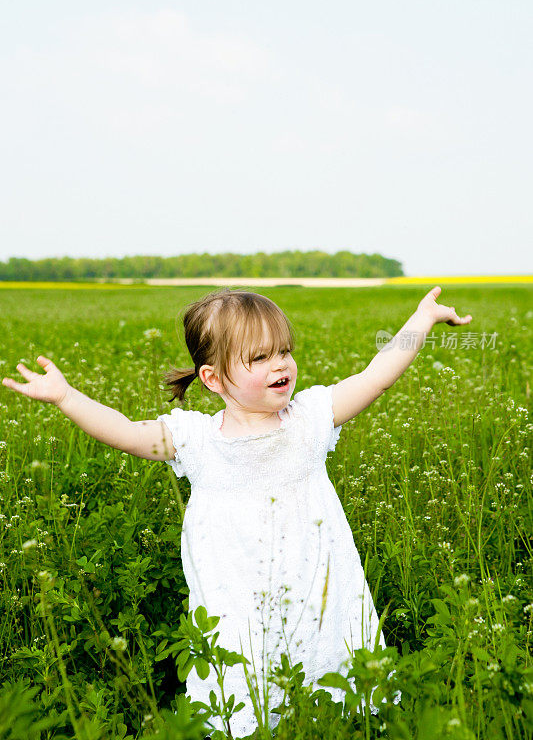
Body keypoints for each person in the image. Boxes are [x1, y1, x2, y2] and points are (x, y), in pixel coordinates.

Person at [2, 285, 472, 738]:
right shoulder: (196, 440)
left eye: (283, 351)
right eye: (259, 358)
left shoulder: (310, 419)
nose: (281, 365)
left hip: (318, 584)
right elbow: (124, 431)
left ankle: (339, 719)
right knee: (248, 673)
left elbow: (377, 375)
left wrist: (421, 319)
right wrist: (67, 397)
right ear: (212, 378)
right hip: (239, 596)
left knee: (328, 661)